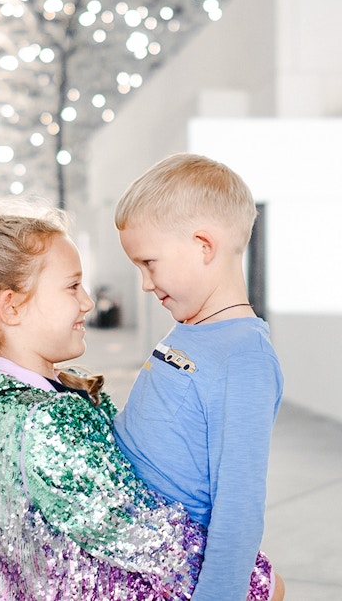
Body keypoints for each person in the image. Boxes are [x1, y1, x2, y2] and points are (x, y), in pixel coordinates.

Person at [0, 211, 274, 601]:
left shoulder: (15, 397)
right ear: (11, 308)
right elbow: (147, 537)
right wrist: (259, 583)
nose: (87, 301)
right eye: (72, 286)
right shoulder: (45, 423)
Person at [113, 153, 285, 601]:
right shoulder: (189, 327)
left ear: (203, 246)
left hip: (170, 568)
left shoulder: (244, 356)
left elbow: (239, 506)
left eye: (149, 262)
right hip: (131, 550)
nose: (146, 284)